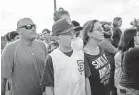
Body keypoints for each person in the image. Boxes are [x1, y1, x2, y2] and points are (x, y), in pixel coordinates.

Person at [41, 18, 91, 95]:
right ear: (57, 38)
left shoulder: (80, 53)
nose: (72, 36)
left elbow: (86, 78)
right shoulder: (52, 58)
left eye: (74, 33)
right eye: (68, 34)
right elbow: (49, 87)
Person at [1, 18, 47, 95]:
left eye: (34, 26)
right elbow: (3, 78)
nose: (33, 29)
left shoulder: (41, 45)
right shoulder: (10, 49)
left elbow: (46, 71)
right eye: (28, 26)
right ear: (19, 31)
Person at [82, 20, 111, 95]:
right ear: (89, 33)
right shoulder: (83, 55)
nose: (102, 31)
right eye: (99, 29)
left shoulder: (100, 48)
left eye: (102, 28)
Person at [117, 28, 139, 95]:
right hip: (129, 90)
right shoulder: (132, 51)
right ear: (133, 38)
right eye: (138, 35)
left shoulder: (129, 50)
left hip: (127, 88)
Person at [99, 22, 118, 95]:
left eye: (109, 28)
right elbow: (116, 52)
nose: (109, 31)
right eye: (106, 29)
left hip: (108, 68)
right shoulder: (104, 42)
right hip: (109, 69)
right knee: (110, 88)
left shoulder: (108, 41)